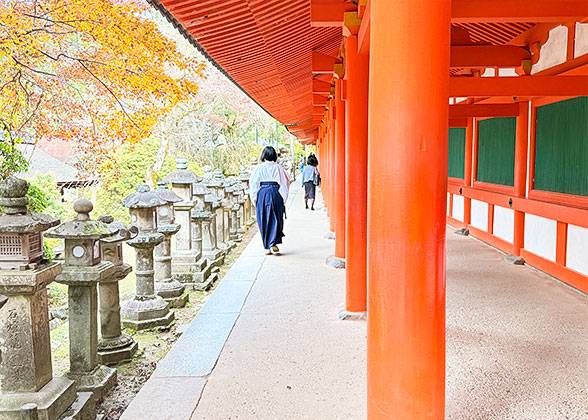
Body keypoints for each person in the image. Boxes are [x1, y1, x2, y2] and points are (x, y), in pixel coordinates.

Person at [249, 146, 290, 255]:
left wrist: (255, 199)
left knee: (263, 219)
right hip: (276, 192)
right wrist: (283, 198)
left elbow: (254, 184)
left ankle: (267, 246)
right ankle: (273, 243)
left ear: (264, 155)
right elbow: (285, 183)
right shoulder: (279, 168)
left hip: (263, 193)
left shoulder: (258, 168)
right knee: (277, 217)